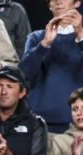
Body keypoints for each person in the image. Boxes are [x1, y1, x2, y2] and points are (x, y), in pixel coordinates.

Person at [20, 0, 83, 133]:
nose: (58, 1)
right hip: (39, 122)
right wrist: (45, 43)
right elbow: (23, 76)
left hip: (77, 122)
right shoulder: (37, 38)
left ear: (77, 3)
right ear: (49, 5)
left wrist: (80, 36)